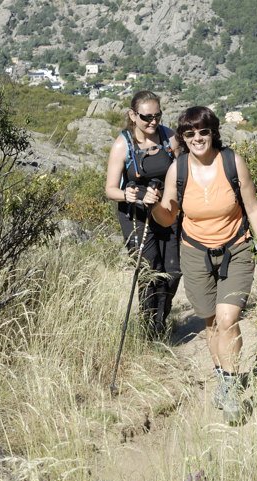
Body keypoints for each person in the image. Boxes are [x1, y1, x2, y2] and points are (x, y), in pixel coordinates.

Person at [148, 106, 257, 424]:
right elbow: (168, 217)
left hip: (237, 249)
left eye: (203, 131)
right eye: (190, 133)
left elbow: (253, 209)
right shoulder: (180, 169)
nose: (198, 138)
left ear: (213, 132)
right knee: (211, 323)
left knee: (228, 318)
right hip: (195, 252)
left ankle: (230, 389)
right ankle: (224, 378)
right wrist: (155, 206)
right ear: (183, 137)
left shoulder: (232, 162)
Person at [105, 90, 181, 339]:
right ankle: (150, 331)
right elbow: (110, 189)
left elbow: (183, 172)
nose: (153, 122)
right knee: (150, 271)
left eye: (157, 116)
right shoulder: (123, 144)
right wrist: (132, 196)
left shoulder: (169, 137)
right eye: (147, 117)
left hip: (167, 211)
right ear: (133, 115)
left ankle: (161, 321)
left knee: (172, 271)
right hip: (136, 217)